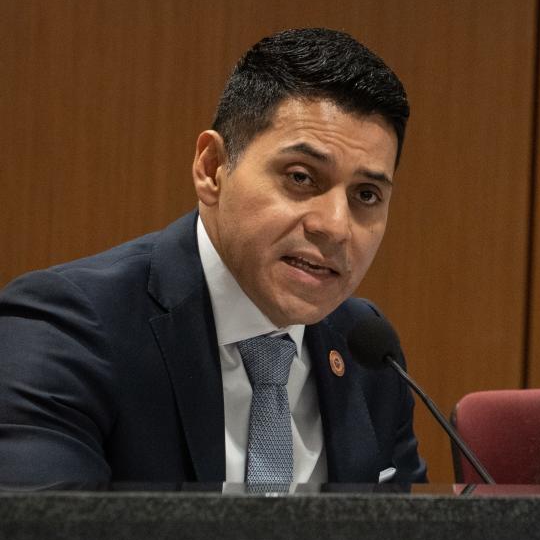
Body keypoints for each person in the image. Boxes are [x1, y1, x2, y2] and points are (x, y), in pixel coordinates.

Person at [0, 28, 426, 485]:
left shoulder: (368, 351)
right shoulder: (69, 327)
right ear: (211, 169)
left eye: (366, 194)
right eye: (301, 178)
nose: (336, 226)